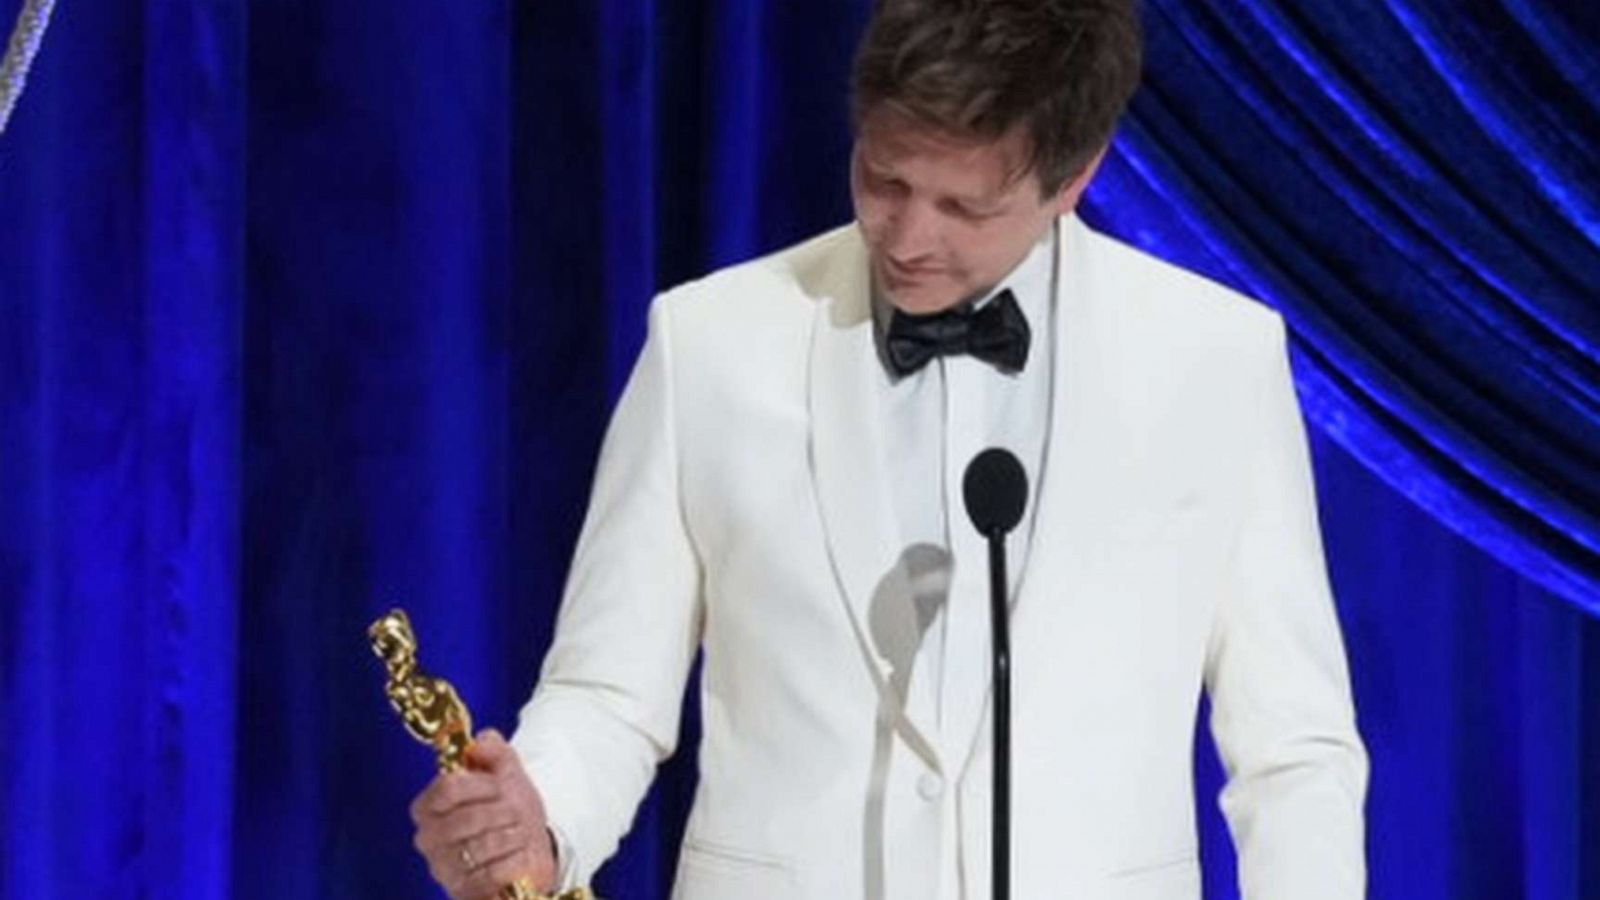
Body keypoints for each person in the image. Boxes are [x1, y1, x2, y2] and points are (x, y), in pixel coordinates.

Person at [409, 0, 1368, 897]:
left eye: (965, 208)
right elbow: (609, 691)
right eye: (886, 178)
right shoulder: (712, 343)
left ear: (1076, 179)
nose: (908, 236)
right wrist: (542, 819)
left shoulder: (1214, 361)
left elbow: (1295, 751)